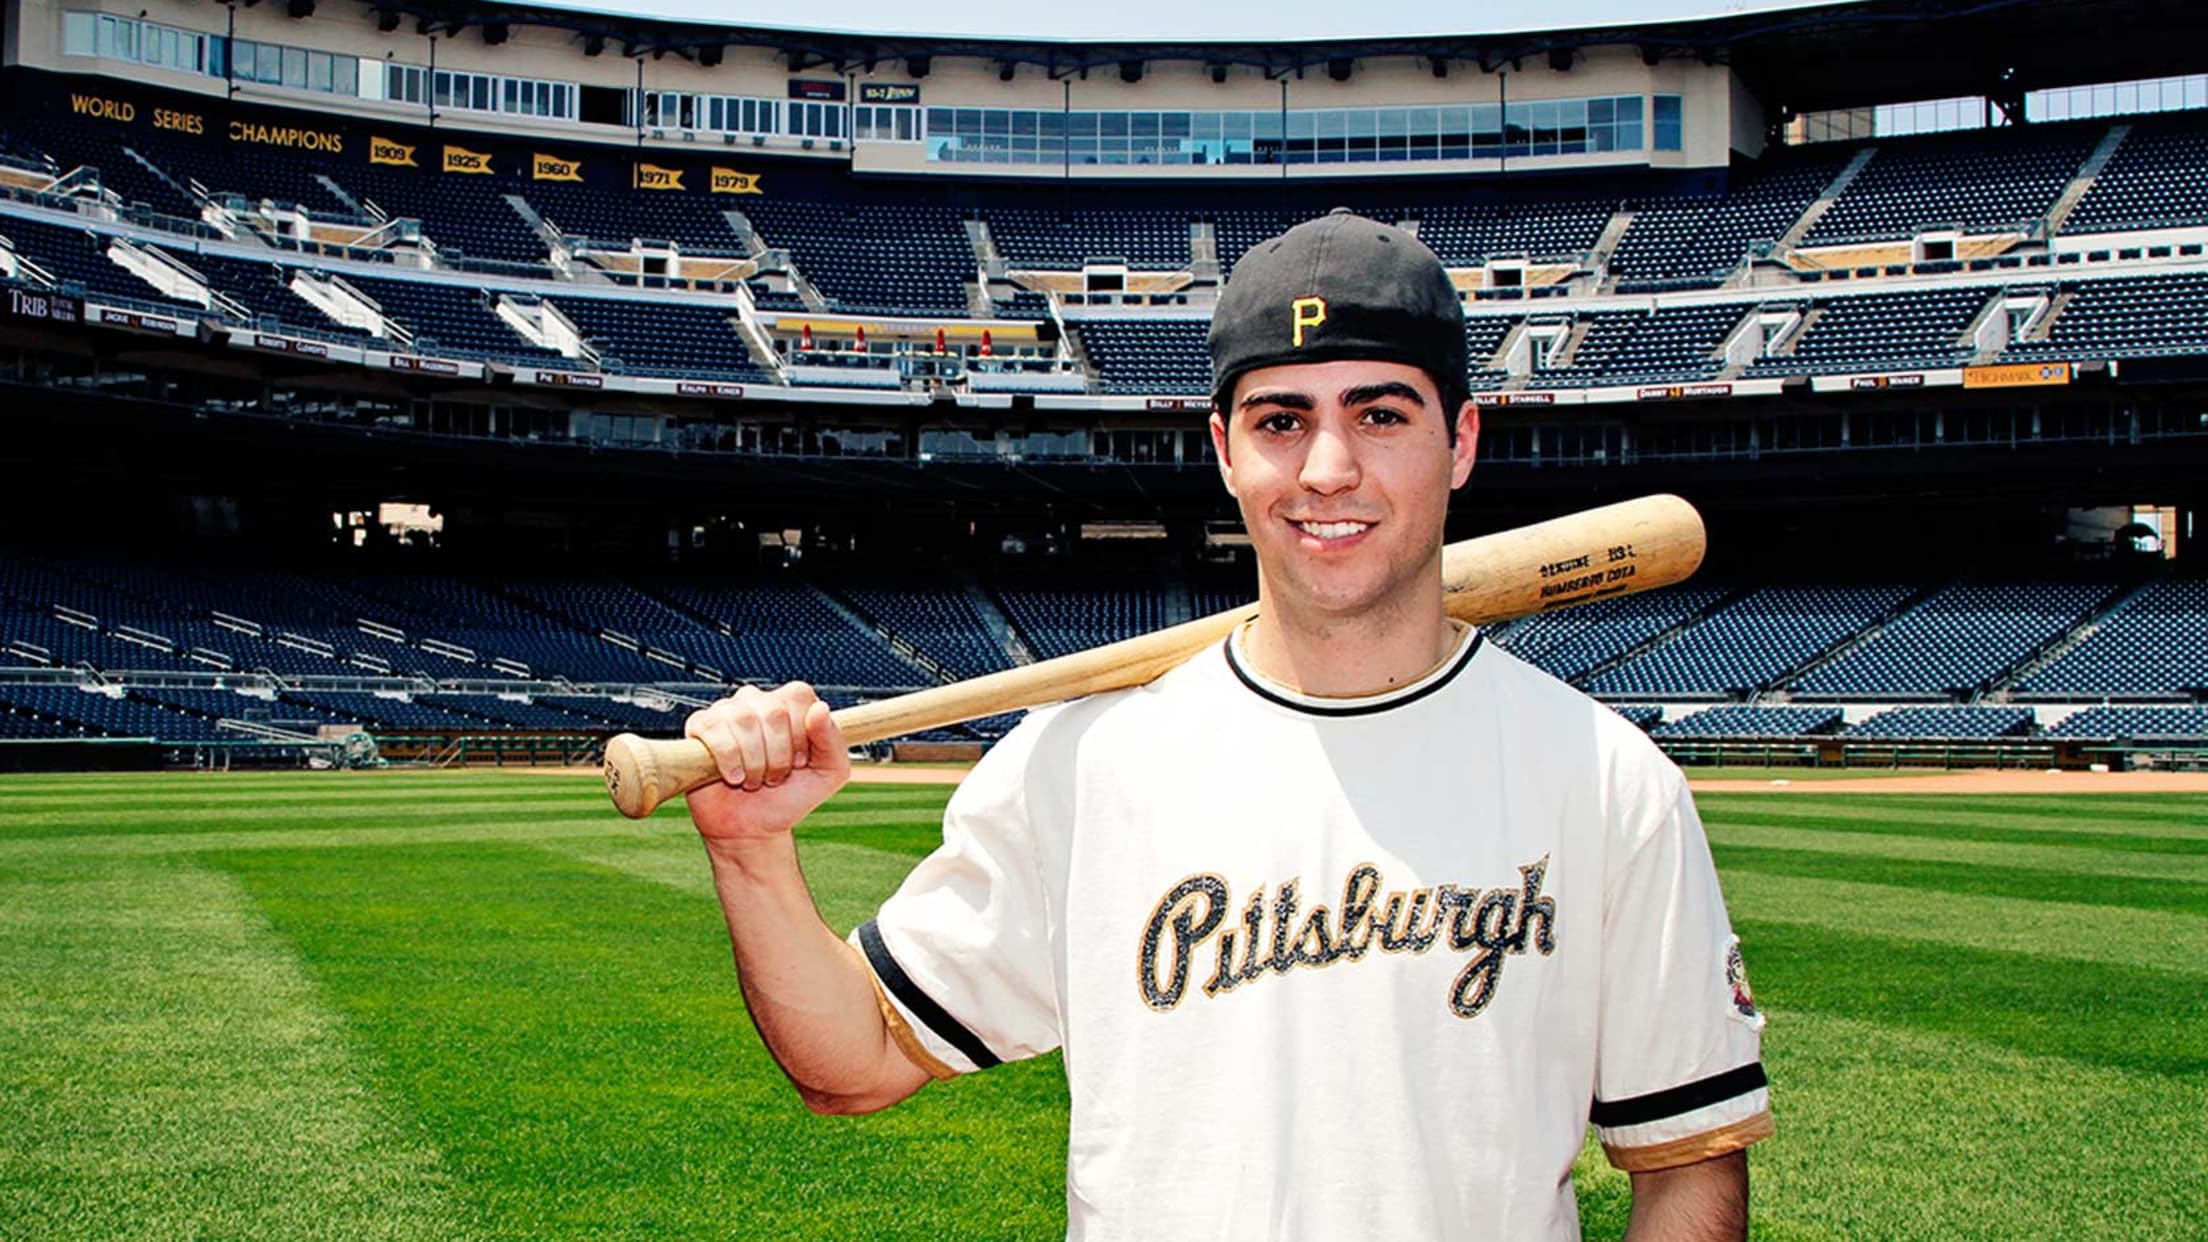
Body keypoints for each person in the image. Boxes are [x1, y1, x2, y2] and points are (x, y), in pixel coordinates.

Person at [683, 208, 1771, 1240]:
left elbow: (1688, 1160)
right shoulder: (1082, 762)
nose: (1327, 469)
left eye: (1381, 415)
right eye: (1281, 420)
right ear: (1225, 449)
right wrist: (752, 853)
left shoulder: (1604, 781)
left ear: (1464, 440)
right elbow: (856, 1060)